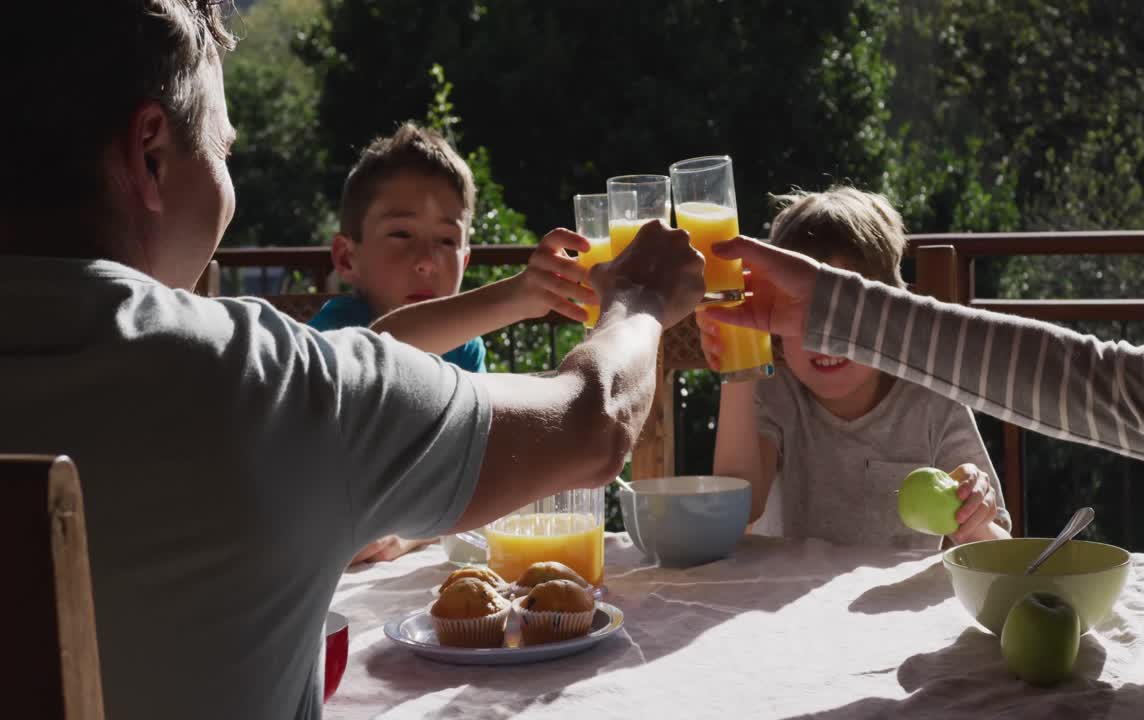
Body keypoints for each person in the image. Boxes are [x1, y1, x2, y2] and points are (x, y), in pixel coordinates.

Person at [0, 3, 703, 718]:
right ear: (152, 154)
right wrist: (640, 297)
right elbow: (592, 422)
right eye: (223, 149)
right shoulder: (268, 386)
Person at [700, 233, 1144, 701]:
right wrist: (835, 317)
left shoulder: (929, 400)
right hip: (808, 643)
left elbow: (1105, 390)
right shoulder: (780, 399)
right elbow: (1107, 385)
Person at [310, 121, 598, 564]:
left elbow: (474, 478)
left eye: (446, 240)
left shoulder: (466, 351)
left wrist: (405, 537)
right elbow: (377, 359)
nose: (426, 261)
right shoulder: (334, 339)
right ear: (348, 258)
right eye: (401, 235)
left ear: (465, 259)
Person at [698, 187, 1009, 547]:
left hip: (898, 603)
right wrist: (737, 367)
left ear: (887, 315)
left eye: (844, 314)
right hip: (787, 601)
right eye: (804, 313)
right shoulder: (777, 390)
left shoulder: (933, 396)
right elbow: (739, 509)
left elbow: (998, 549)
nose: (824, 337)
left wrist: (973, 517)